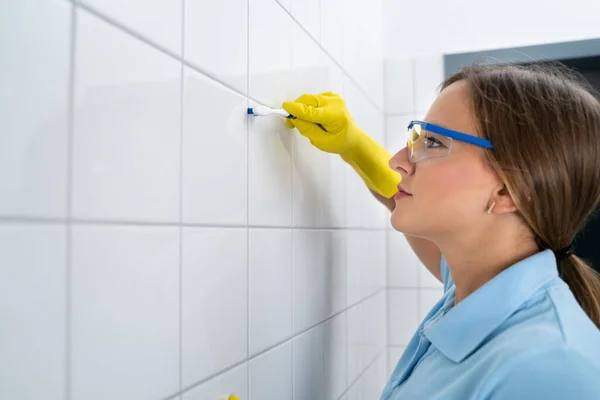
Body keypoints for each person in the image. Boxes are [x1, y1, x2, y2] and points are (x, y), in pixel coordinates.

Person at [282, 63, 600, 399]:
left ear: (509, 191)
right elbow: (399, 192)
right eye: (419, 138)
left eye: (433, 143)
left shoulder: (548, 371)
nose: (397, 162)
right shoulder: (473, 282)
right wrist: (352, 143)